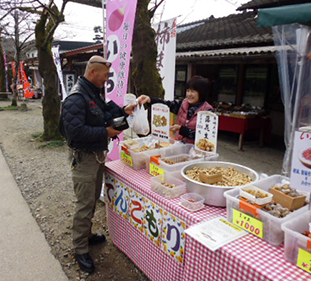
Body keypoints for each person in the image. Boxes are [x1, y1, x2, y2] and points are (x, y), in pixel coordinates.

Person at [60, 55, 135, 274]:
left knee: (92, 198)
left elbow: (105, 112)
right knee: (84, 203)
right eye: (105, 75)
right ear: (93, 72)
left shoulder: (92, 93)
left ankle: (87, 235)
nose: (107, 78)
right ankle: (80, 248)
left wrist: (124, 111)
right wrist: (105, 132)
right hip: (84, 158)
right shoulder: (76, 98)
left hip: (96, 155)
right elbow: (75, 133)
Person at [137, 75, 213, 144]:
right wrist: (150, 99)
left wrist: (181, 129)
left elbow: (205, 136)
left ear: (202, 93)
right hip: (180, 147)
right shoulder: (183, 104)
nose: (189, 94)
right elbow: (166, 104)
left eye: (192, 91)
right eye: (188, 91)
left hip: (197, 152)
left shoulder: (208, 112)